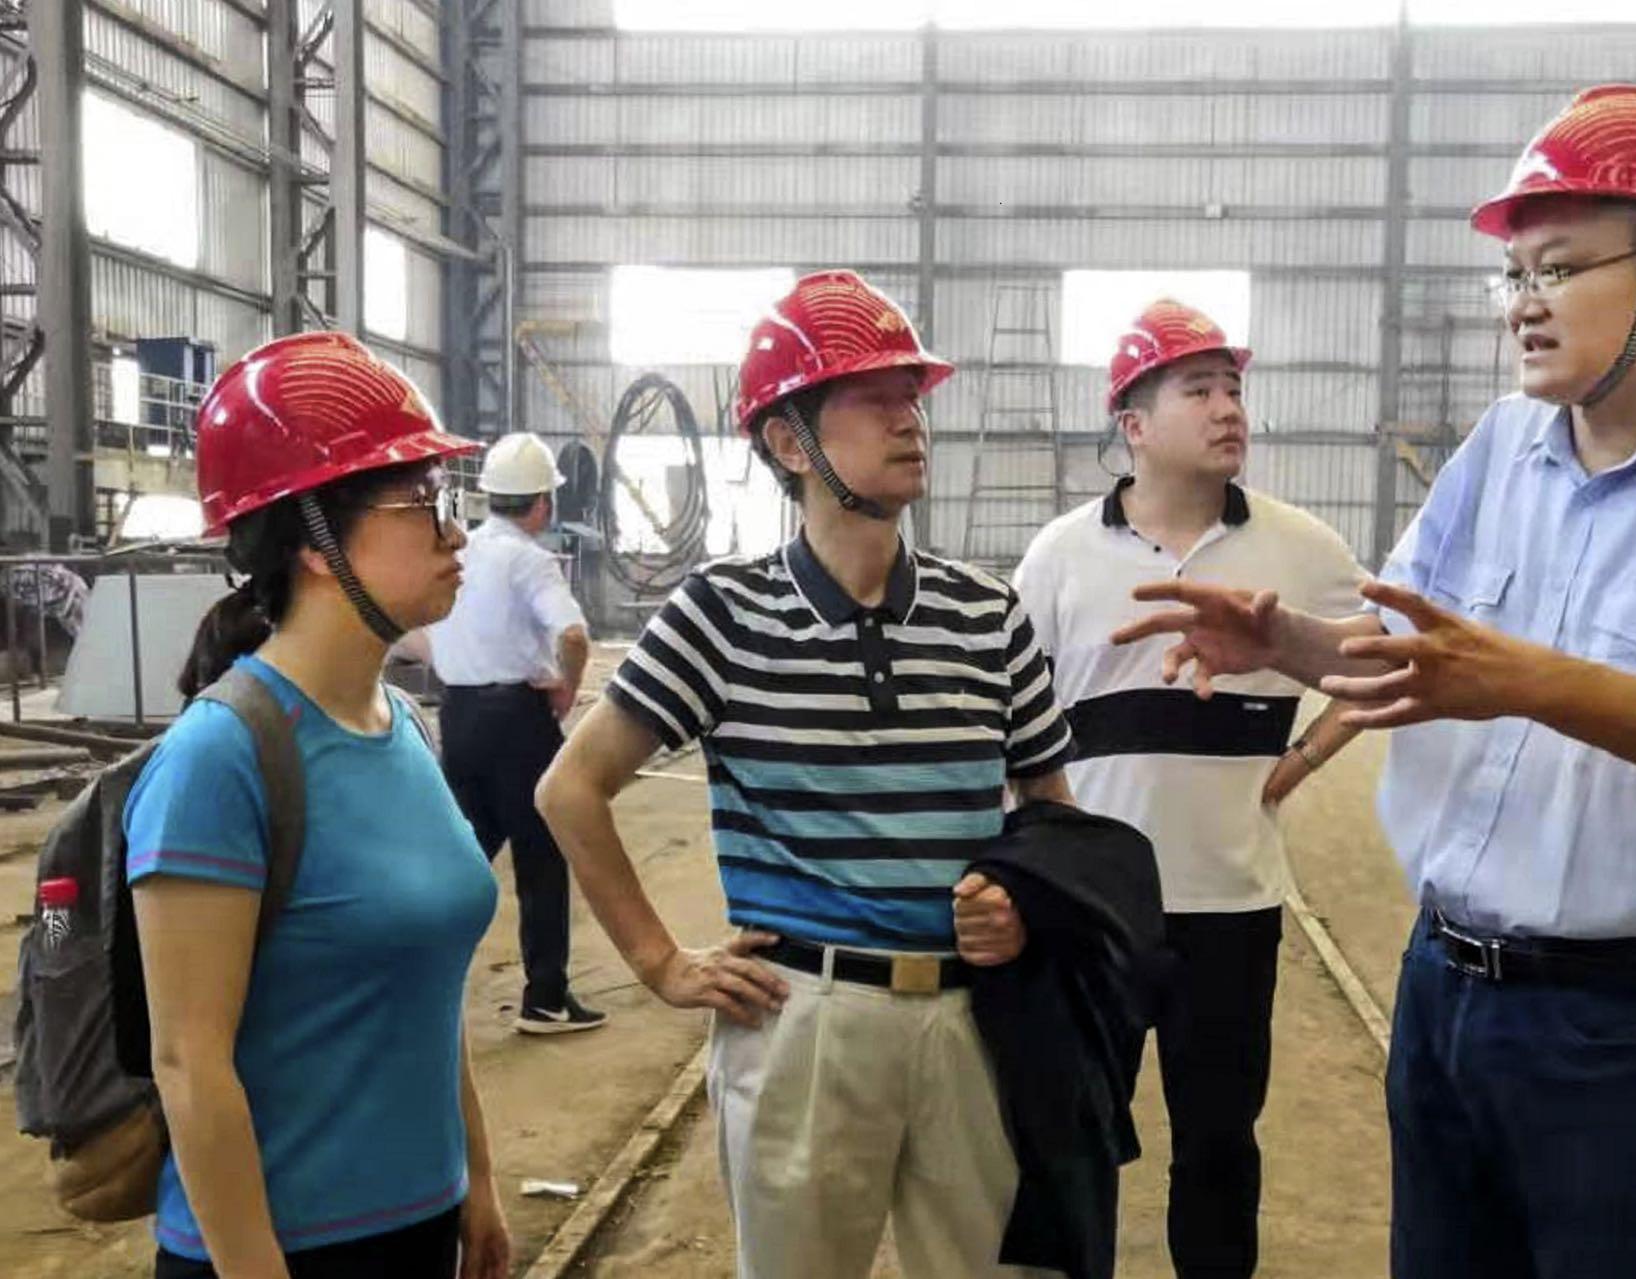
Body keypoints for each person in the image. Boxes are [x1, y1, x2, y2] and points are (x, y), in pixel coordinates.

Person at [1113, 85, 1636, 1279]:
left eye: (1556, 268)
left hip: (1624, 1024)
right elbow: (1415, 662)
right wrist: (1286, 647)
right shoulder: (1500, 450)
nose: (1520, 305)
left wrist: (1524, 679)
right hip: (1443, 988)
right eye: (1512, 276)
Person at [536, 270, 1076, 1278]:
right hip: (804, 1023)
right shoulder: (722, 615)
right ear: (788, 443)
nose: (909, 418)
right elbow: (571, 788)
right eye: (872, 398)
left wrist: (1023, 902)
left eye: (911, 395)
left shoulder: (984, 613)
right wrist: (660, 963)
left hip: (974, 1020)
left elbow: (1052, 810)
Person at [131, 332, 509, 1278]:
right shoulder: (219, 759)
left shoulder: (406, 728)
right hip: (282, 1250)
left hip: (423, 1225)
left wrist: (480, 1183)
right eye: (424, 503)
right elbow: (188, 1065)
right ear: (313, 537)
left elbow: (426, 987)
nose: (455, 532)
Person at [1013, 298, 1364, 1277]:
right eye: (1197, 389)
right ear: (1133, 424)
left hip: (1231, 905)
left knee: (1216, 1142)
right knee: (1074, 1137)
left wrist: (1302, 757)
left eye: (1234, 388)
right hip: (1093, 909)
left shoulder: (1303, 549)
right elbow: (1011, 713)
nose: (1227, 408)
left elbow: (1389, 664)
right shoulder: (1060, 557)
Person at [414, 431, 602, 1034]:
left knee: (462, 856)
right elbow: (573, 636)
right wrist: (568, 688)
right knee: (542, 859)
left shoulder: (458, 552)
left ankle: (409, 983)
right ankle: (545, 998)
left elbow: (416, 634)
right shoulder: (529, 559)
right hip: (518, 725)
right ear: (542, 503)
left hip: (459, 717)